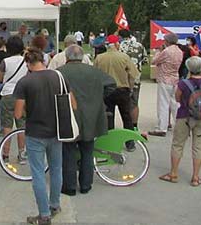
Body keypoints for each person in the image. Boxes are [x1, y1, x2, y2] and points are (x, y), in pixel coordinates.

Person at [14, 48, 74, 225]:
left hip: (35, 132)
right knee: (56, 169)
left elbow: (18, 114)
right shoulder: (59, 77)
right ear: (44, 60)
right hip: (57, 131)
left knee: (38, 174)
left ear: (27, 63)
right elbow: (73, 103)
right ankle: (55, 205)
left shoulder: (25, 82)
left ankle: (44, 215)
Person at [58, 45, 113, 196]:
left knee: (68, 151)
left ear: (67, 57)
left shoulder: (60, 72)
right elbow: (111, 84)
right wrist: (98, 99)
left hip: (68, 115)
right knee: (88, 151)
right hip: (91, 115)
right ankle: (86, 185)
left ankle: (69, 186)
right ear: (82, 57)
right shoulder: (94, 72)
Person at [159, 56, 201, 186]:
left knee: (178, 144)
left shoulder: (183, 83)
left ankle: (173, 173)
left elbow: (177, 98)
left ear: (189, 68)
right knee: (198, 146)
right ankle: (195, 177)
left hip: (184, 116)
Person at [94, 35, 138, 133]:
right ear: (117, 44)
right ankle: (130, 142)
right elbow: (132, 75)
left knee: (108, 117)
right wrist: (130, 89)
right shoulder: (124, 57)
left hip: (106, 91)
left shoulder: (99, 58)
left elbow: (95, 75)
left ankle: (109, 141)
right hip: (122, 90)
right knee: (126, 117)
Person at [0, 36, 28, 161]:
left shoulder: (5, 62)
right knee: (22, 126)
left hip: (8, 94)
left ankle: (5, 154)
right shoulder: (26, 62)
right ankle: (22, 154)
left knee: (7, 125)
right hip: (23, 95)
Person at [149, 32, 183, 137]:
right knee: (175, 104)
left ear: (167, 41)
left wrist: (159, 51)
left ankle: (161, 127)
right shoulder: (179, 51)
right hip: (175, 78)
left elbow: (154, 61)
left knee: (163, 104)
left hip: (164, 79)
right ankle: (180, 126)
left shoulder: (166, 51)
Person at [118, 29, 147, 129]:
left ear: (120, 36)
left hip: (122, 79)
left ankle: (126, 126)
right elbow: (145, 61)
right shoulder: (139, 45)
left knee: (123, 105)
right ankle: (134, 125)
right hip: (136, 78)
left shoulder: (120, 46)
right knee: (134, 103)